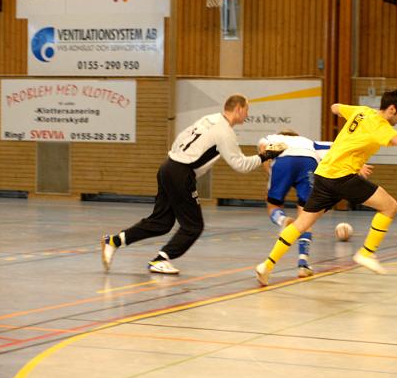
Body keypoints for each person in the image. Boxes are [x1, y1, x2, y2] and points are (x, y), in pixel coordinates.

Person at [254, 89, 397, 286]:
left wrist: (343, 117)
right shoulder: (380, 126)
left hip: (324, 175)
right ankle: (367, 253)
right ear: (393, 109)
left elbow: (335, 107)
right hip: (342, 176)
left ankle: (266, 266)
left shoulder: (362, 111)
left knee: (301, 224)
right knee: (390, 206)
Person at [101, 94, 285, 275]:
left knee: (161, 222)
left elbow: (182, 137)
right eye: (246, 110)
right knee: (193, 226)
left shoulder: (209, 119)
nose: (247, 114)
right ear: (238, 109)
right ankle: (160, 260)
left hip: (168, 166)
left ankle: (114, 241)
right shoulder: (225, 132)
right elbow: (241, 165)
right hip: (181, 174)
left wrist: (178, 161)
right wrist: (267, 155)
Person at [256, 130, 332, 278]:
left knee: (273, 206)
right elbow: (335, 147)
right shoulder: (309, 141)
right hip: (309, 161)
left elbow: (263, 149)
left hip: (284, 160)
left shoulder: (273, 137)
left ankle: (284, 221)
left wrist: (271, 175)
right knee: (306, 216)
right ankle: (303, 264)